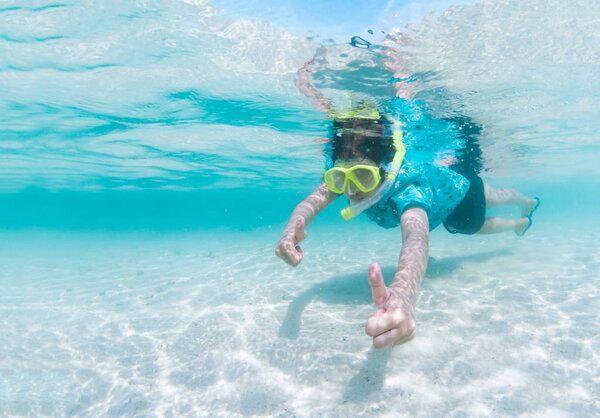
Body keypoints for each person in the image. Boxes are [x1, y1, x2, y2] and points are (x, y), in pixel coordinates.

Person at [275, 53, 540, 350]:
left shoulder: (407, 193)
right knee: (466, 227)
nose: (350, 190)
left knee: (481, 213)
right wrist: (290, 232)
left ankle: (525, 202)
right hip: (441, 206)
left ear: (385, 169)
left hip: (459, 193)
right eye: (340, 178)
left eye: (363, 177)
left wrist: (404, 295)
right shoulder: (348, 174)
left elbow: (416, 241)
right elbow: (311, 201)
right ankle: (519, 223)